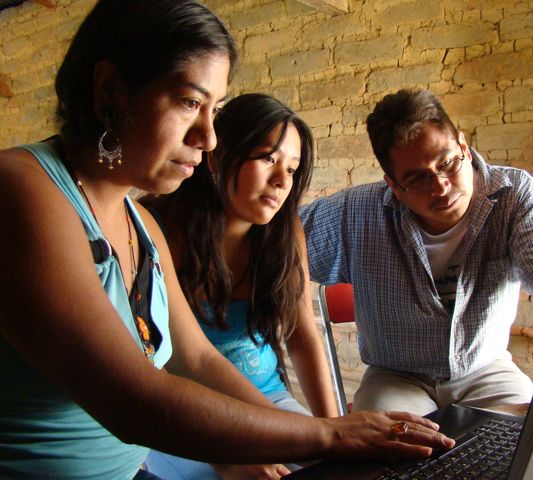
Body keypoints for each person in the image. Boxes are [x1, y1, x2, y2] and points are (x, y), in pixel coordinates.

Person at [0, 3, 454, 478]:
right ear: (110, 89)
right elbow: (134, 402)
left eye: (214, 110)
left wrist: (332, 434)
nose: (209, 137)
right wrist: (331, 435)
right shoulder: (22, 190)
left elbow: (197, 358)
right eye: (190, 103)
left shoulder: (141, 227)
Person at [300, 88, 533, 416]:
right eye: (417, 179)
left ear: (464, 147)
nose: (440, 186)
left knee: (527, 440)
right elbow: (278, 243)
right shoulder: (357, 213)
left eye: (447, 163)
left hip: (485, 368)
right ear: (394, 186)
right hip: (396, 376)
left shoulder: (514, 195)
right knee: (387, 453)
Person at [140, 93, 338, 479]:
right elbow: (171, 362)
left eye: (292, 169)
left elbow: (302, 336)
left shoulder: (285, 232)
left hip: (268, 397)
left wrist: (336, 435)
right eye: (268, 159)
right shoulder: (159, 230)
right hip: (184, 415)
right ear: (216, 157)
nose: (282, 181)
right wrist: (230, 453)